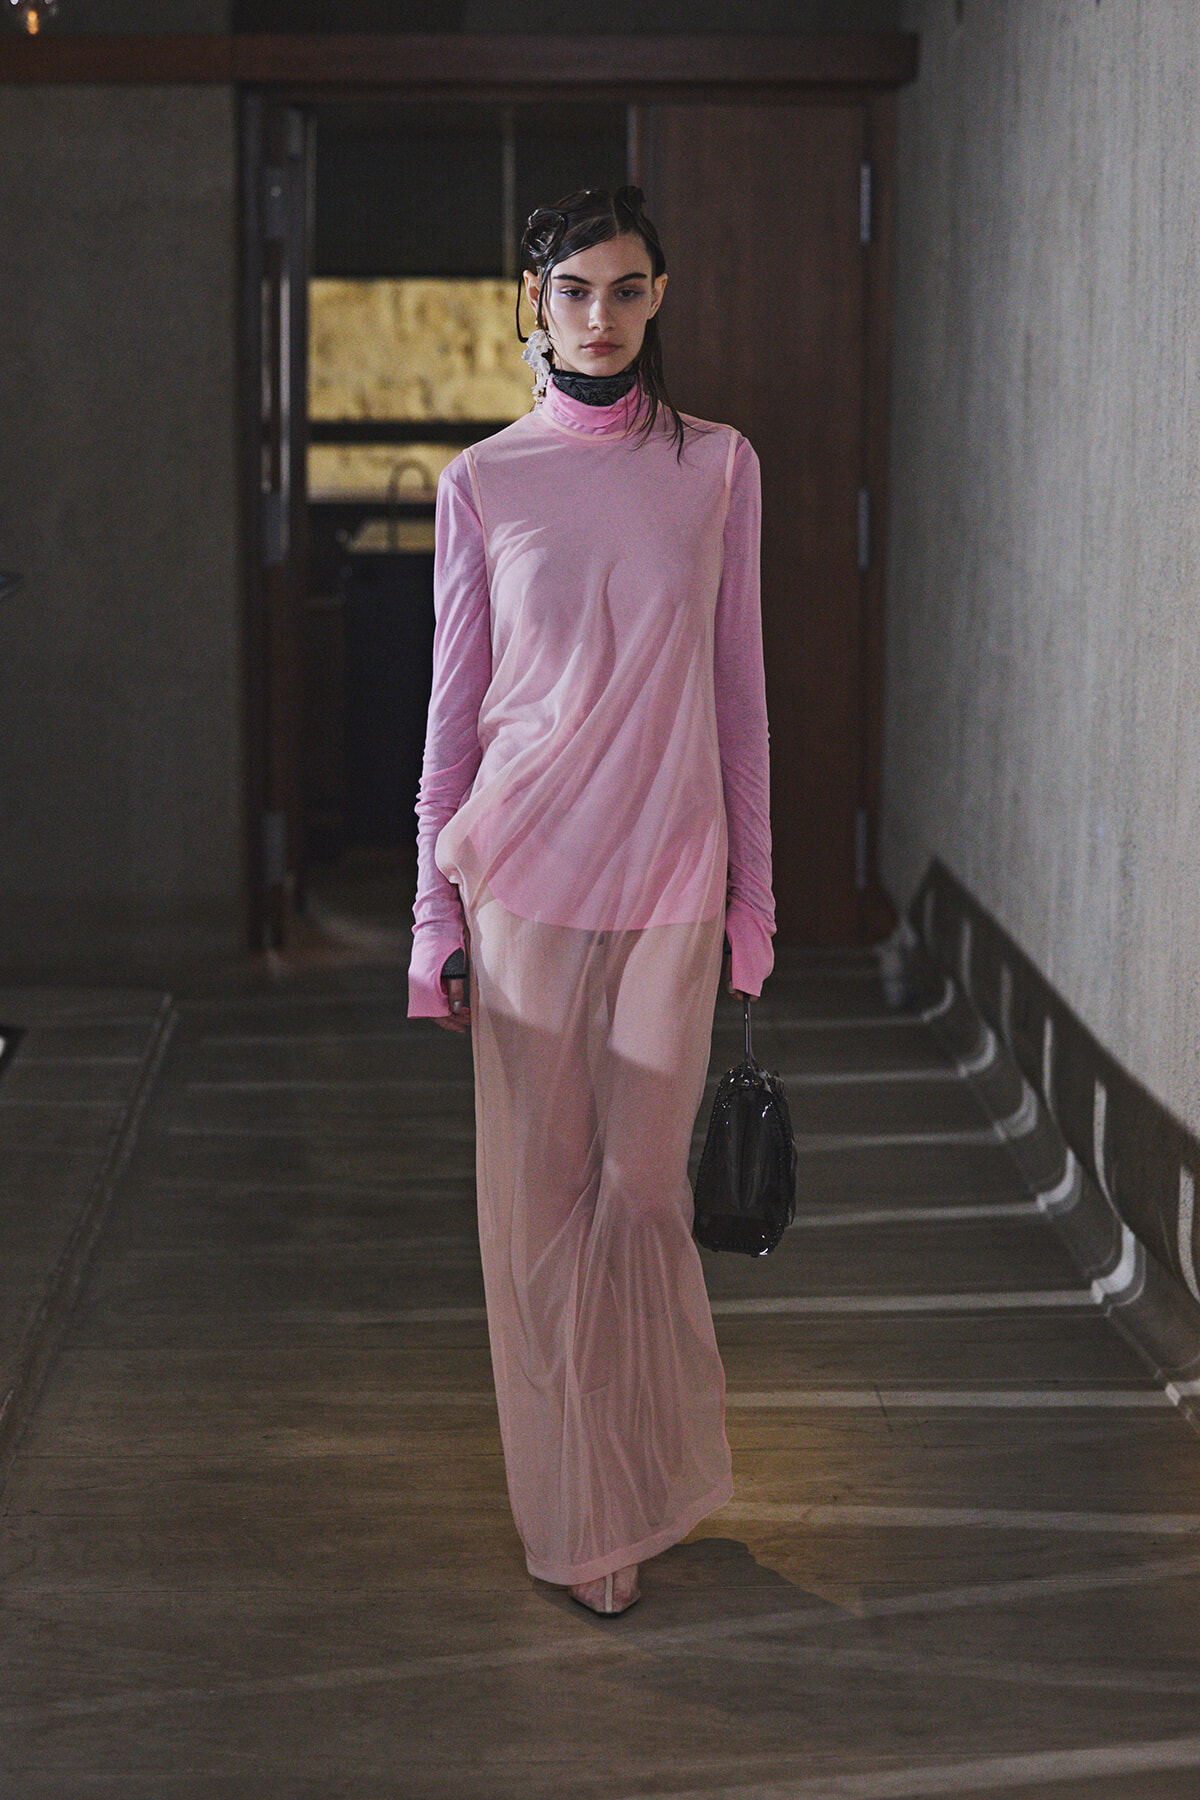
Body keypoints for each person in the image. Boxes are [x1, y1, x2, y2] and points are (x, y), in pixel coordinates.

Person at [408, 186, 774, 1616]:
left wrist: (758, 897)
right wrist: (436, 930)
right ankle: (580, 1522)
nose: (601, 315)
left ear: (659, 299)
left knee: (637, 1201)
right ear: (534, 301)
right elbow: (450, 727)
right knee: (536, 1213)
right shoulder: (484, 484)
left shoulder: (721, 470)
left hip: (675, 882)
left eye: (625, 289)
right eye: (573, 291)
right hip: (526, 888)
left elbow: (738, 695)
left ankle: (632, 1481)